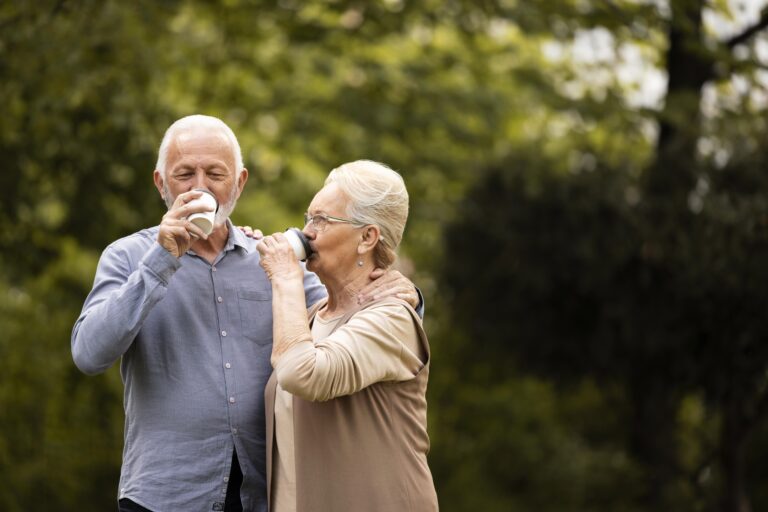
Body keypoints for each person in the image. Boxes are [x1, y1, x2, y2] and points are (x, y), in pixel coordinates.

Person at [71, 115, 421, 512]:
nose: (199, 186)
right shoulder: (128, 257)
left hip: (261, 494)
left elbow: (344, 309)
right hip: (165, 495)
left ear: (238, 183)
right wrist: (160, 260)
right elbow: (88, 353)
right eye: (184, 173)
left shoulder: (271, 261)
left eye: (215, 174)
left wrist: (407, 295)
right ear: (161, 184)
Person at [257, 160, 438, 512]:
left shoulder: (392, 319)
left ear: (367, 237)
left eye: (322, 220)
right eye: (308, 217)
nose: (306, 231)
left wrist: (285, 277)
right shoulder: (309, 319)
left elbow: (301, 373)